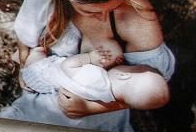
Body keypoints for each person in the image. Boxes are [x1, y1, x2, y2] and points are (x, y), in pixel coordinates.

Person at [0, 0, 175, 132]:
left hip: (101, 123)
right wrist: (24, 67)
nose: (102, 17)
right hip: (35, 110)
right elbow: (25, 41)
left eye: (112, 8)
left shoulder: (135, 12)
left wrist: (91, 108)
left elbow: (146, 90)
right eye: (90, 11)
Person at [21, 38, 170, 108]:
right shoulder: (107, 98)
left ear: (123, 75)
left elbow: (68, 65)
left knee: (38, 51)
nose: (125, 64)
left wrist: (90, 58)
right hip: (46, 87)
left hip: (38, 73)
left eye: (129, 67)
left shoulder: (97, 79)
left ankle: (28, 56)